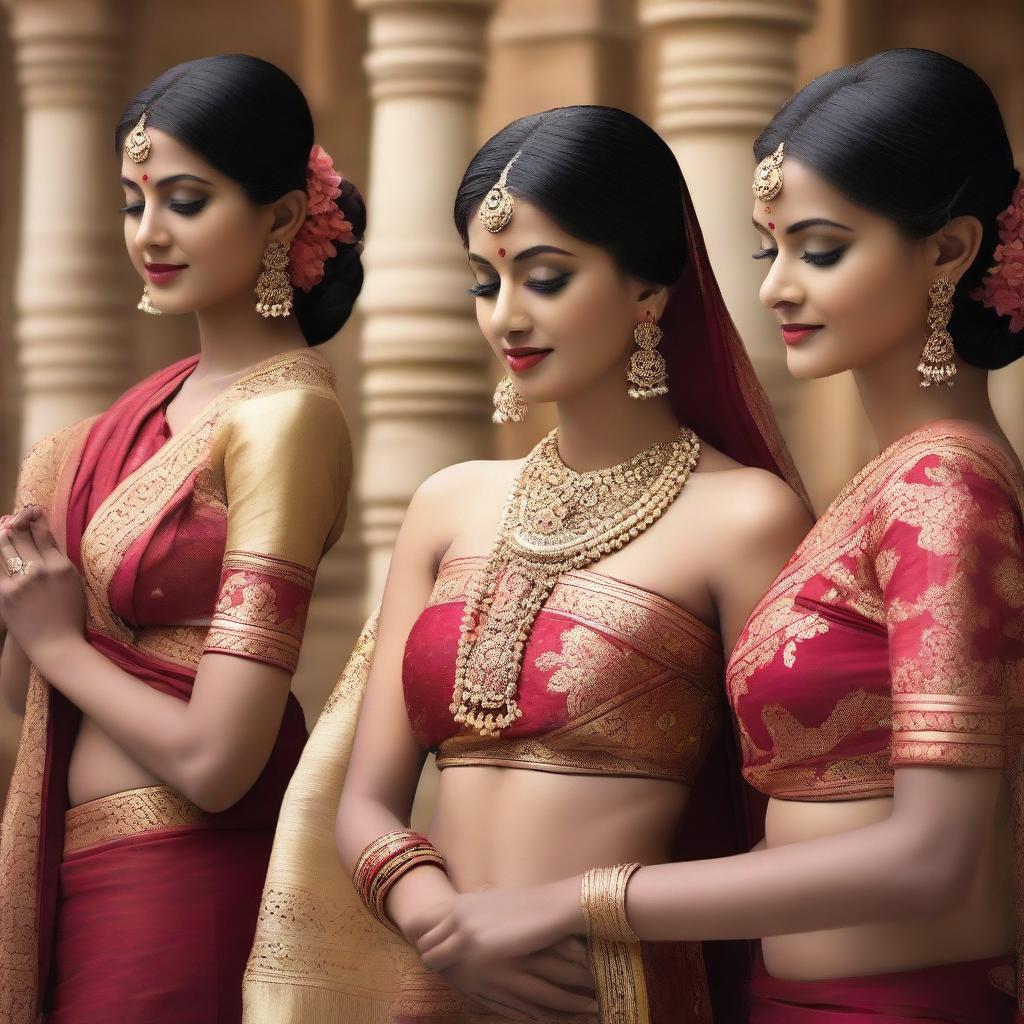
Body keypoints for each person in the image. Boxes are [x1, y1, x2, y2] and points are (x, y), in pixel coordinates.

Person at [413, 49, 1024, 1024]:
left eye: (819, 249)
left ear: (947, 251)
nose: (777, 288)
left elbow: (932, 855)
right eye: (765, 251)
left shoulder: (942, 482)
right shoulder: (883, 485)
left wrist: (574, 899)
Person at [242, 104, 811, 1024]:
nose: (506, 315)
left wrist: (563, 916)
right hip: (428, 979)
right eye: (484, 280)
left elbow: (795, 833)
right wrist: (445, 928)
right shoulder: (447, 503)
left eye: (545, 277)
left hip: (606, 994)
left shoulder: (745, 518)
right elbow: (366, 802)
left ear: (648, 291)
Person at [0, 53, 362, 1024]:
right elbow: (20, 692)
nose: (149, 233)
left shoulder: (287, 418)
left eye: (185, 200)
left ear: (282, 218)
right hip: (86, 873)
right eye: (132, 201)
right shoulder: (126, 420)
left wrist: (58, 640)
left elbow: (217, 762)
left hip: (185, 880)